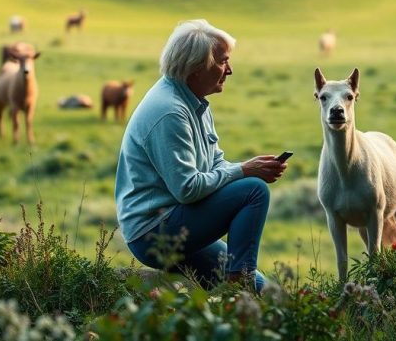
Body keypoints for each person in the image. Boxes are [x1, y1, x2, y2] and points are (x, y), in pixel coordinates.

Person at [115, 19, 287, 291]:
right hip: (154, 232)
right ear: (196, 68)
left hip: (177, 218)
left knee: (263, 289)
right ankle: (237, 291)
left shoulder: (193, 101)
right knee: (253, 191)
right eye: (222, 62)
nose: (229, 70)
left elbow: (215, 162)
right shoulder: (170, 111)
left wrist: (245, 169)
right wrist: (244, 171)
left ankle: (242, 286)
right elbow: (187, 188)